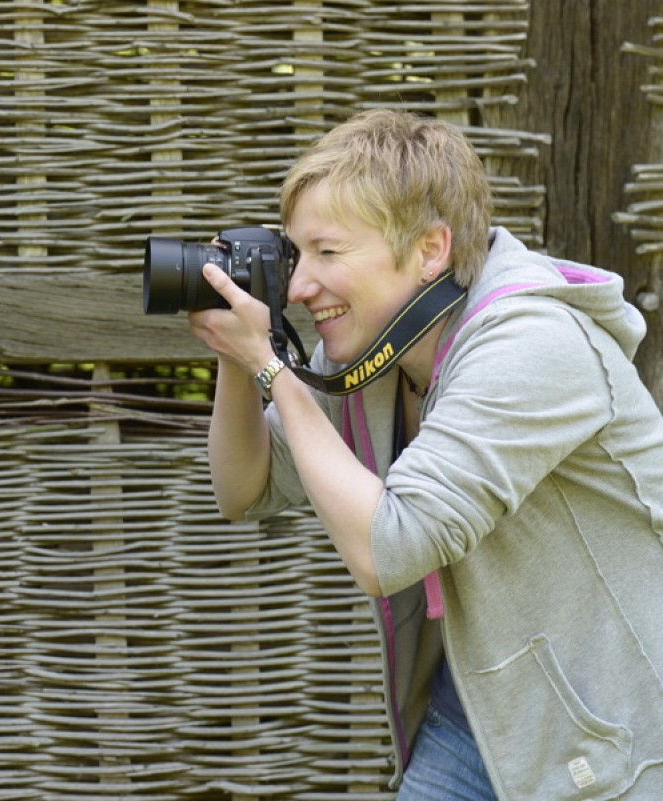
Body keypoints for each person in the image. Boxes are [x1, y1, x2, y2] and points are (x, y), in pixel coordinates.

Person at [188, 108, 663, 800]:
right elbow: (243, 489)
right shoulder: (368, 354)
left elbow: (388, 548)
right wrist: (235, 359)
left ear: (430, 250)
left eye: (328, 252)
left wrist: (267, 364)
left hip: (603, 729)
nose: (296, 287)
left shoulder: (531, 346)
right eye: (296, 255)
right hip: (473, 711)